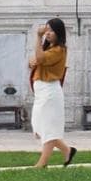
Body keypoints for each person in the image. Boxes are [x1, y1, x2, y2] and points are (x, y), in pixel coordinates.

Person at [28, 17, 74, 168]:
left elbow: (40, 58)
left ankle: (41, 164)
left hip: (50, 91)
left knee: (48, 129)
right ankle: (67, 151)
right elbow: (35, 60)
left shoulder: (59, 50)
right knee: (38, 126)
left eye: (51, 31)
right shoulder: (48, 48)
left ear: (59, 33)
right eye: (46, 30)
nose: (47, 33)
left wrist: (38, 36)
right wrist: (32, 61)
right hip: (41, 92)